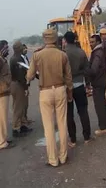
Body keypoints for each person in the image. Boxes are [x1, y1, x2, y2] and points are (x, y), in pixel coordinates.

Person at [26, 29, 73, 167]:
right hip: (60, 90)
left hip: (45, 91)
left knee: (48, 127)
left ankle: (53, 159)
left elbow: (29, 75)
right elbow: (68, 77)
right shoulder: (62, 55)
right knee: (62, 124)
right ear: (55, 39)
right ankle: (63, 156)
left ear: (44, 39)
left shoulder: (37, 55)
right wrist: (69, 92)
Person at [63, 31, 92, 147]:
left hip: (67, 87)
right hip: (80, 84)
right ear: (75, 39)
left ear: (65, 40)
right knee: (83, 111)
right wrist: (88, 84)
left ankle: (73, 139)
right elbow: (87, 70)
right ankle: (87, 137)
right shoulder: (81, 52)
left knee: (69, 114)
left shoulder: (63, 53)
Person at [86, 34, 106, 136]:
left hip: (98, 81)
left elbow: (94, 70)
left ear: (97, 42)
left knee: (99, 105)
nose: (90, 44)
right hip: (102, 79)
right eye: (90, 42)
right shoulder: (103, 50)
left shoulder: (97, 53)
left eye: (92, 42)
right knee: (102, 104)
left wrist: (85, 70)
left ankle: (103, 127)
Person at [9, 41, 33, 137]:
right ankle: (15, 128)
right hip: (18, 85)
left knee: (23, 106)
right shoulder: (17, 59)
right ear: (19, 48)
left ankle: (23, 125)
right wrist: (26, 87)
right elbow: (20, 76)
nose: (24, 48)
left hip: (20, 84)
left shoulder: (20, 57)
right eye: (22, 47)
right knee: (18, 108)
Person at [21, 44, 33, 124]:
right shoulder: (19, 59)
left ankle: (25, 118)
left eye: (26, 48)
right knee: (22, 103)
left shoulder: (25, 58)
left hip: (26, 82)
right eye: (24, 48)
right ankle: (22, 119)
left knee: (26, 103)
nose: (26, 49)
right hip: (22, 83)